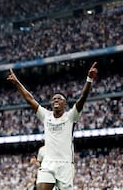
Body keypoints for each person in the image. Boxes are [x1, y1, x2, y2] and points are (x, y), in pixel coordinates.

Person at [7, 62, 98, 190]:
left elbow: (82, 98)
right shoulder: (46, 116)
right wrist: (17, 82)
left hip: (65, 165)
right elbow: (30, 99)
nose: (55, 100)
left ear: (65, 104)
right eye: (54, 99)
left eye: (59, 99)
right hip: (48, 163)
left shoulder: (71, 116)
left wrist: (89, 79)